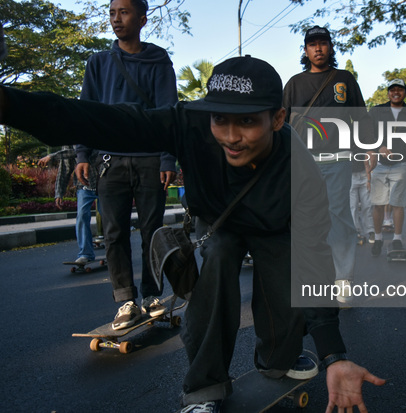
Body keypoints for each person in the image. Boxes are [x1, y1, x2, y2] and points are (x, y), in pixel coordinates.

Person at [0, 55, 385, 413]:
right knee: (216, 262)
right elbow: (103, 120)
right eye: (220, 119)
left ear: (278, 118)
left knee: (285, 282)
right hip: (220, 223)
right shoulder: (189, 122)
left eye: (248, 122)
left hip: (276, 228)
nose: (231, 136)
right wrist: (9, 104)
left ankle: (278, 358)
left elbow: (314, 259)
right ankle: (204, 386)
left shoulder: (302, 169)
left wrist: (334, 354)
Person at [75, 0, 178, 330]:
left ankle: (151, 295)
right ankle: (126, 301)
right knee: (114, 232)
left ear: (142, 18)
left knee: (152, 230)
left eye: (124, 12)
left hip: (150, 160)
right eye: (112, 13)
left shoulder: (158, 60)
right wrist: (82, 154)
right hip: (109, 160)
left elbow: (168, 112)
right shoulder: (99, 62)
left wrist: (167, 157)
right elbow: (87, 110)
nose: (116, 19)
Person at [283, 25, 373, 301]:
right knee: (302, 218)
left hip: (338, 159)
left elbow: (361, 116)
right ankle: (310, 277)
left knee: (338, 215)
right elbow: (281, 123)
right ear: (306, 50)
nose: (318, 48)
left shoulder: (344, 79)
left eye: (323, 43)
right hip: (303, 161)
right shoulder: (294, 83)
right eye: (312, 44)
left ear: (331, 47)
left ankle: (343, 279)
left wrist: (371, 148)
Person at [367, 79, 406, 258]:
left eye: (400, 90)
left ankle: (397, 238)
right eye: (392, 90)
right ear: (388, 93)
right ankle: (378, 238)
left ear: (405, 93)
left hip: (402, 163)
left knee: (398, 204)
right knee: (378, 204)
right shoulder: (376, 111)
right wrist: (379, 147)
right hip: (379, 164)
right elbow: (367, 133)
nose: (396, 92)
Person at [38, 146, 101, 263]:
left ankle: (113, 249)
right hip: (84, 186)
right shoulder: (66, 146)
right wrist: (59, 193)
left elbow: (78, 151)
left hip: (104, 183)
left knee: (108, 217)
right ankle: (85, 253)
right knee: (82, 216)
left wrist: (52, 156)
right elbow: (64, 170)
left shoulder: (90, 135)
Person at [350, 154, 375, 245]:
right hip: (351, 175)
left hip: (363, 173)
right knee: (353, 206)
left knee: (367, 205)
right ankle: (357, 231)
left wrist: (368, 178)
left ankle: (370, 231)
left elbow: (367, 157)